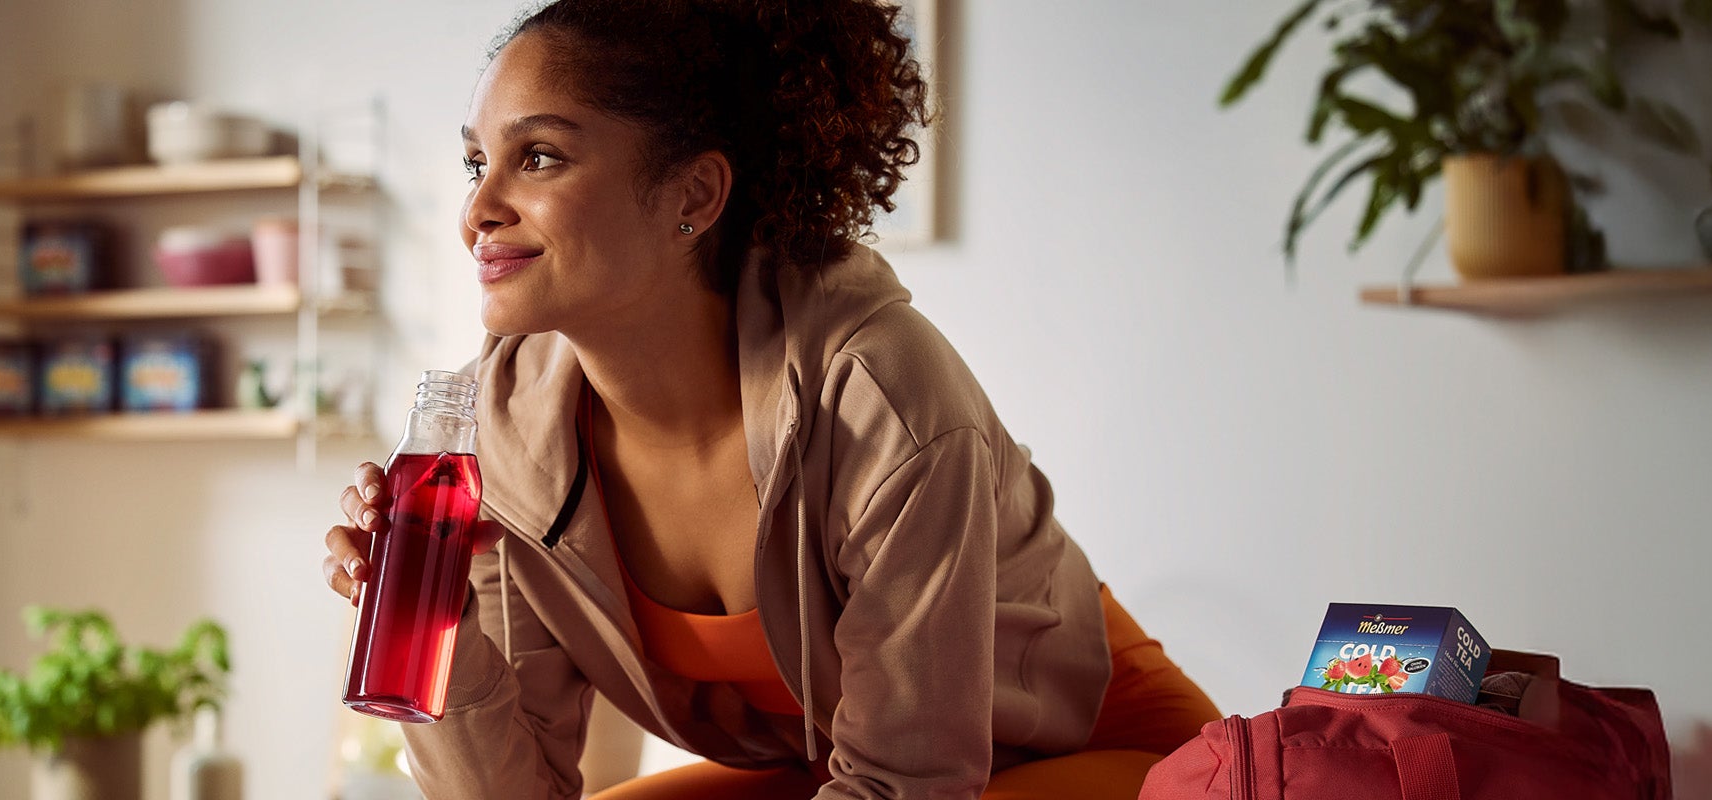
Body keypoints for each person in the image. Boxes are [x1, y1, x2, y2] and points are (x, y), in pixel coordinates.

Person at [318, 1, 1218, 797]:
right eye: (477, 159)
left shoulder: (879, 394)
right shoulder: (502, 431)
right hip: (836, 765)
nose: (478, 206)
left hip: (1087, 746)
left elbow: (910, 783)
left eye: (539, 157)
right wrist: (446, 639)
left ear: (693, 193)